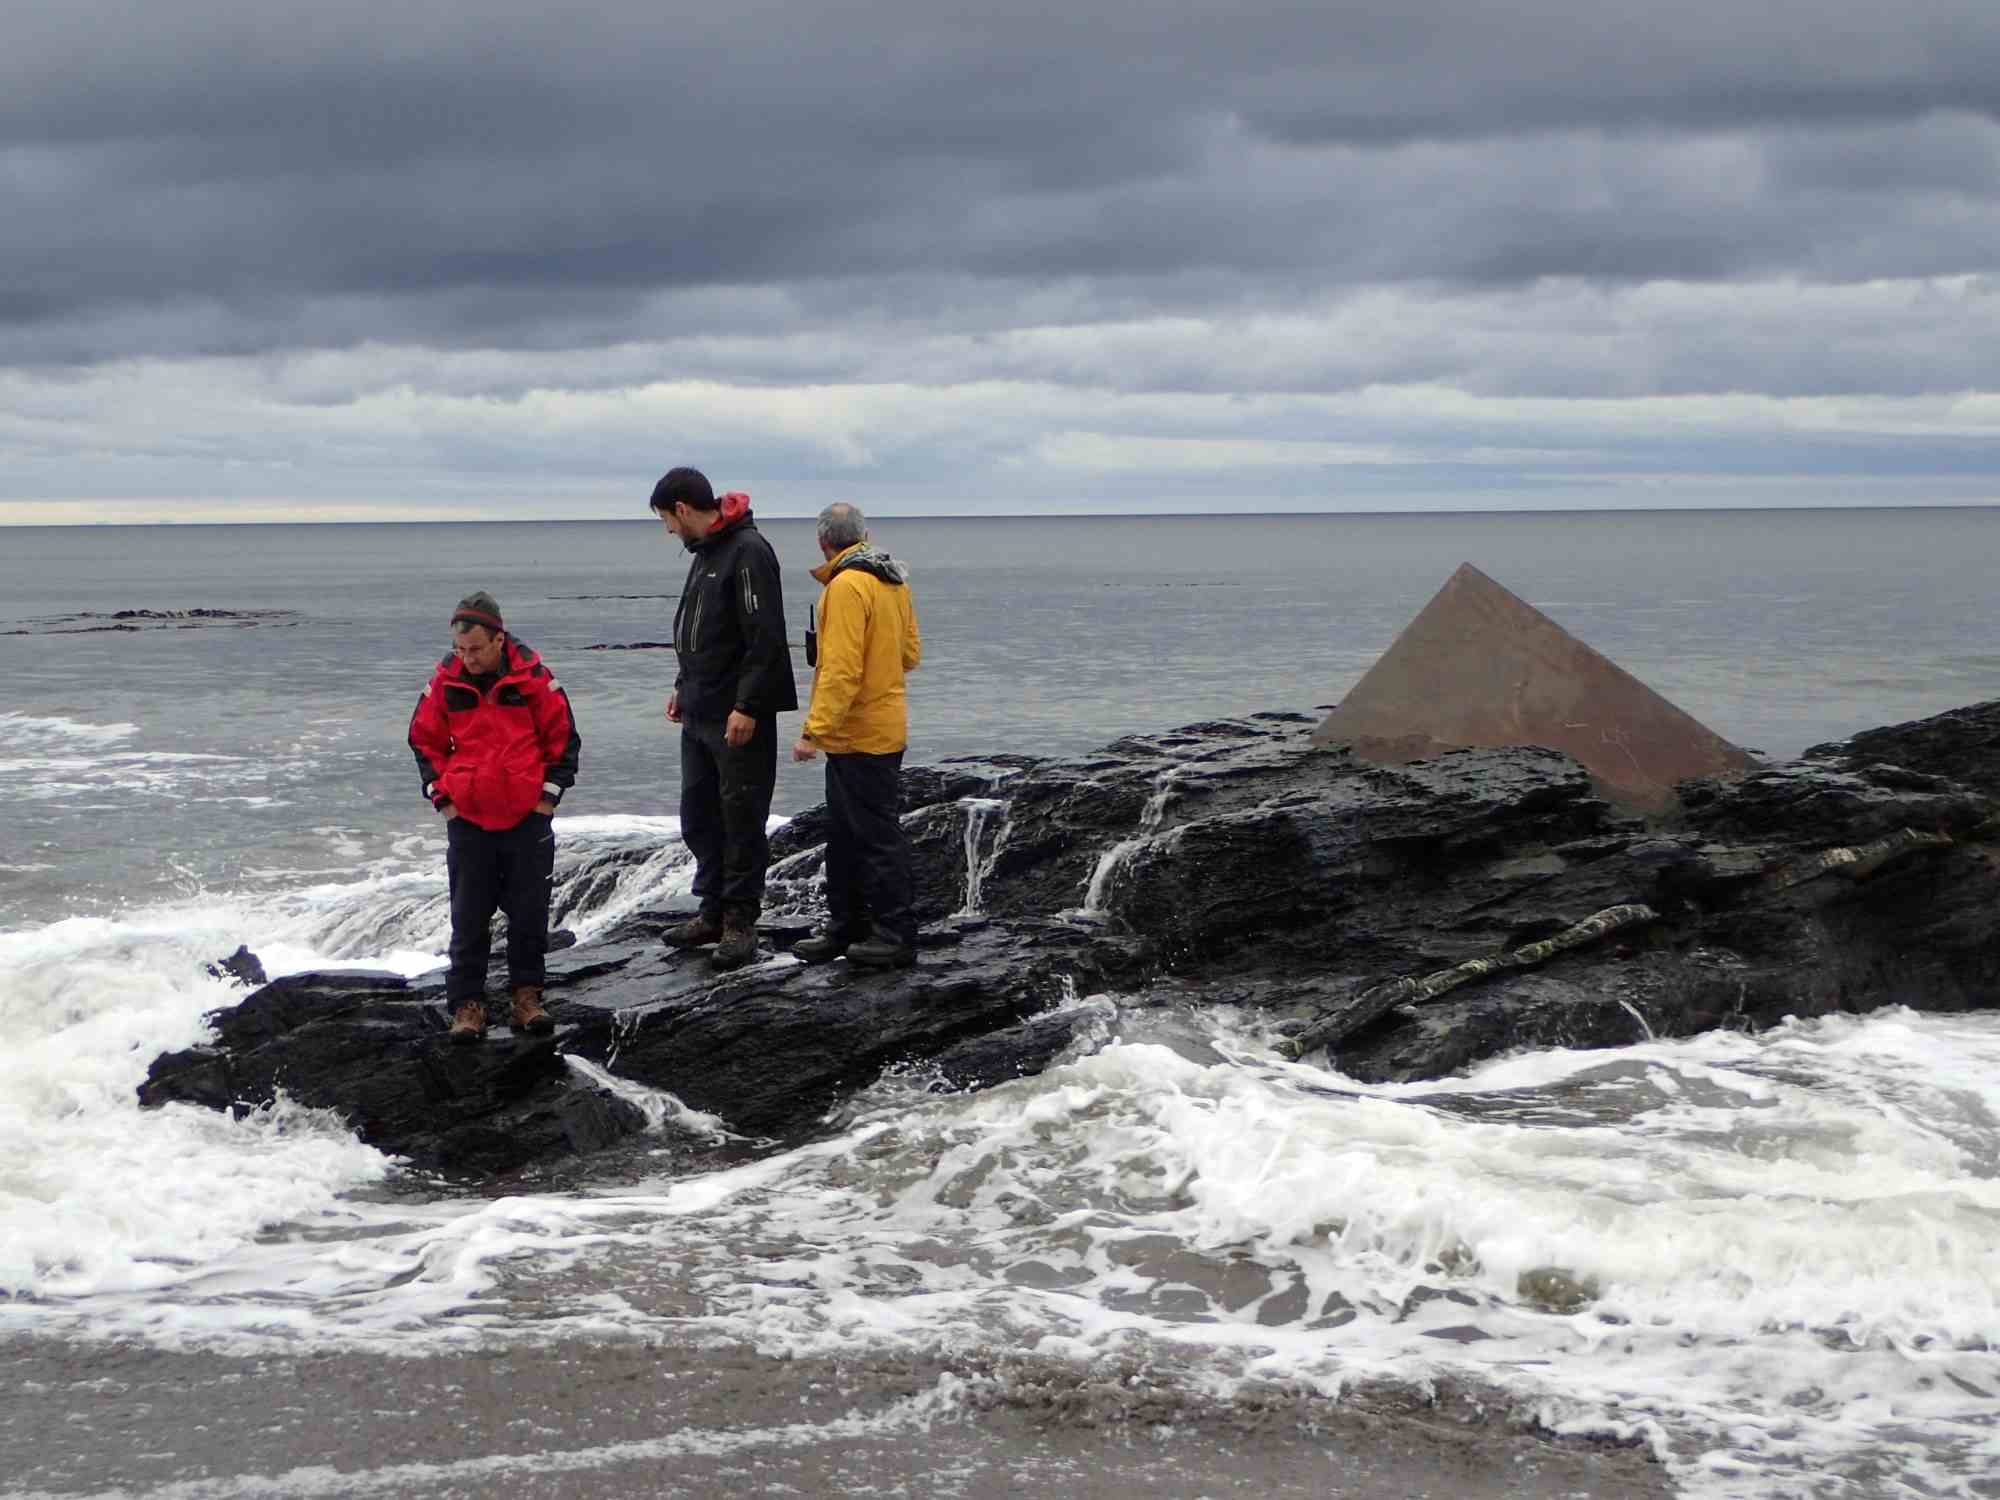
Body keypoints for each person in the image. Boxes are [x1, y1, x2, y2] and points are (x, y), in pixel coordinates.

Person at [408, 591, 581, 1043]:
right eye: (461, 650)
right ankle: (467, 1005)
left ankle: (527, 999)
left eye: (476, 650)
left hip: (527, 819)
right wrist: (442, 799)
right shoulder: (444, 684)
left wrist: (547, 801)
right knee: (468, 917)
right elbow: (423, 742)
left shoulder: (536, 682)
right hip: (469, 820)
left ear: (499, 639)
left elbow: (564, 743)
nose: (467, 659)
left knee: (528, 915)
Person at [651, 467, 798, 969]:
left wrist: (749, 705)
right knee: (699, 814)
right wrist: (681, 686)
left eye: (667, 520)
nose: (669, 530)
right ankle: (711, 908)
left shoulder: (748, 550)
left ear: (683, 509)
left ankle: (740, 920)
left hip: (737, 715)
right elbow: (699, 632)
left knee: (740, 815)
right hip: (699, 710)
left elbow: (766, 636)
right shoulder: (707, 552)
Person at [790, 503, 922, 968]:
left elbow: (841, 670)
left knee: (874, 836)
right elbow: (909, 654)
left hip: (858, 734)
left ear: (823, 541)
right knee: (846, 835)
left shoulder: (845, 586)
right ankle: (847, 925)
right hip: (883, 727)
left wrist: (814, 732)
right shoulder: (892, 580)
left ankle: (893, 933)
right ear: (864, 535)